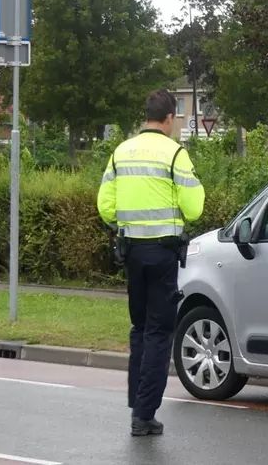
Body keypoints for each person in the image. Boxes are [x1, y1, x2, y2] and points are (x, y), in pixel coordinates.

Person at [96, 89, 205, 436]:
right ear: (170, 118)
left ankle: (136, 406)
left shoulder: (121, 152)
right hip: (162, 254)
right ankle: (144, 415)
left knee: (139, 330)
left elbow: (105, 206)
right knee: (160, 332)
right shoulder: (175, 154)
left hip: (132, 252)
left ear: (146, 116)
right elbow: (194, 209)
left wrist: (128, 221)